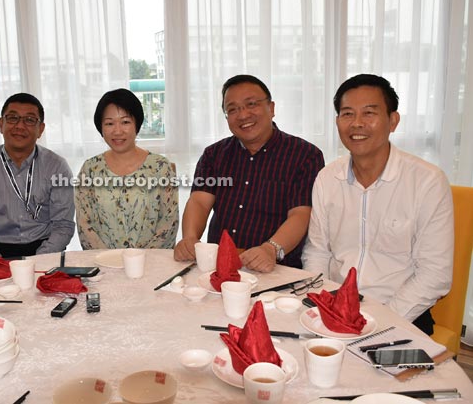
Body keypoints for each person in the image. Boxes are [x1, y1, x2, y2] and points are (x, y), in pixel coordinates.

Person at [301, 74, 453, 335]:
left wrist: (379, 322)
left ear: (392, 121)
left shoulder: (427, 181)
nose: (357, 123)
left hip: (401, 315)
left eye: (369, 113)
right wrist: (325, 306)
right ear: (337, 121)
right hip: (335, 311)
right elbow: (317, 252)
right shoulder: (327, 178)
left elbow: (434, 274)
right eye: (347, 114)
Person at [174, 74, 324, 271]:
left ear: (271, 108)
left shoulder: (305, 155)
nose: (243, 115)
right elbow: (199, 202)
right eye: (232, 109)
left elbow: (300, 214)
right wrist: (190, 238)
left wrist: (271, 249)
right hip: (218, 265)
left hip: (276, 268)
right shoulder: (214, 154)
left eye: (251, 104)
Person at [0, 93, 74, 258]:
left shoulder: (57, 166)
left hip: (45, 248)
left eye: (29, 120)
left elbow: (63, 225)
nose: (20, 126)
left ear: (40, 129)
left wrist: (38, 261)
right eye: (13, 118)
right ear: (1, 124)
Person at [75, 89, 179, 249]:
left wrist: (140, 260)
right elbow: (84, 225)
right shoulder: (90, 169)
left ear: (137, 123)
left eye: (125, 122)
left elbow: (169, 223)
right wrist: (108, 260)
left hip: (151, 264)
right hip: (103, 265)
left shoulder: (160, 167)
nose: (117, 131)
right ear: (100, 127)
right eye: (109, 123)